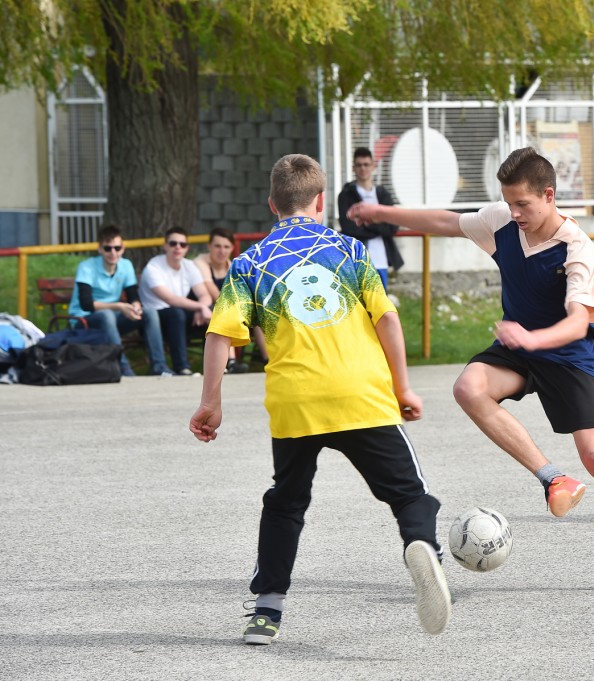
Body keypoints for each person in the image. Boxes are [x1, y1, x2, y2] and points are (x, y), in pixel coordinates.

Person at [349, 147, 594, 596]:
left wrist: (533, 340)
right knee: (468, 388)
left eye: (523, 204)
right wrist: (381, 212)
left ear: (549, 195)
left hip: (569, 355)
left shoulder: (576, 247)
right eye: (509, 202)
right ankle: (553, 478)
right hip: (519, 347)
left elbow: (578, 321)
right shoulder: (502, 221)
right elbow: (445, 221)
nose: (514, 212)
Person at [189, 153, 451, 644]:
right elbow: (387, 320)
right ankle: (423, 548)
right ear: (321, 200)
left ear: (272, 203)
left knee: (285, 503)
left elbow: (220, 335)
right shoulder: (351, 251)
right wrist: (402, 387)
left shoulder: (249, 263)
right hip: (360, 394)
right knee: (409, 495)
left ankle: (266, 612)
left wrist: (211, 402)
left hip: (296, 401)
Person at [67, 224, 169, 376]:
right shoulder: (86, 267)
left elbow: (133, 295)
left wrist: (135, 307)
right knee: (107, 314)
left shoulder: (126, 265)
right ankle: (123, 367)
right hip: (83, 320)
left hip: (111, 320)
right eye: (108, 248)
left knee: (149, 312)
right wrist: (119, 306)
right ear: (100, 249)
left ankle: (159, 366)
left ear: (123, 248)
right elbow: (86, 304)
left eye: (117, 248)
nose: (113, 253)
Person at [138, 227, 212, 376]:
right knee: (176, 314)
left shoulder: (189, 266)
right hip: (154, 320)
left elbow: (205, 294)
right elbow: (169, 299)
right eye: (173, 243)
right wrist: (200, 306)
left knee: (211, 314)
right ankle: (182, 367)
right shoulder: (153, 267)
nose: (178, 247)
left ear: (187, 248)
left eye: (182, 244)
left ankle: (215, 367)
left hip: (179, 316)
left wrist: (201, 308)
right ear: (165, 246)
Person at [193, 227, 269, 372]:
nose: (222, 251)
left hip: (226, 306)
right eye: (217, 246)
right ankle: (231, 361)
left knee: (258, 313)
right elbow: (214, 293)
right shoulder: (200, 262)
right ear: (209, 246)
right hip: (202, 310)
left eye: (226, 247)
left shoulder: (232, 265)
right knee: (226, 313)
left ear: (232, 248)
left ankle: (269, 361)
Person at [337, 147, 404, 291]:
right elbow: (348, 228)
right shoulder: (346, 195)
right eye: (359, 165)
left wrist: (366, 223)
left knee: (381, 302)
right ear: (353, 168)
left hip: (381, 260)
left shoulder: (383, 195)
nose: (363, 168)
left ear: (373, 166)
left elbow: (393, 227)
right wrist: (378, 225)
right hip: (356, 261)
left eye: (366, 164)